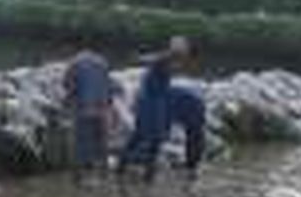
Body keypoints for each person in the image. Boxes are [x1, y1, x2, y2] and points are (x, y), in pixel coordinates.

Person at [119, 37, 192, 182]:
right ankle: (130, 168)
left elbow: (155, 61)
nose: (185, 50)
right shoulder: (166, 57)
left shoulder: (174, 58)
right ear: (176, 48)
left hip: (157, 99)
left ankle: (141, 171)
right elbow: (152, 59)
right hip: (149, 100)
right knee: (146, 136)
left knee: (149, 136)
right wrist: (138, 58)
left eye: (185, 47)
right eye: (183, 47)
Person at [63, 49, 120, 180]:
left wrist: (66, 101)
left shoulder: (74, 63)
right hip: (102, 109)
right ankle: (103, 174)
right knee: (102, 142)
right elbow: (109, 85)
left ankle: (78, 177)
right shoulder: (102, 62)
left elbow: (69, 85)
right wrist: (110, 106)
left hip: (84, 108)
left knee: (81, 143)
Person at [168, 85, 207, 178]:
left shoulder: (160, 99)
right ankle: (192, 164)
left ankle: (192, 165)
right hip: (193, 105)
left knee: (194, 137)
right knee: (195, 136)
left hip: (191, 107)